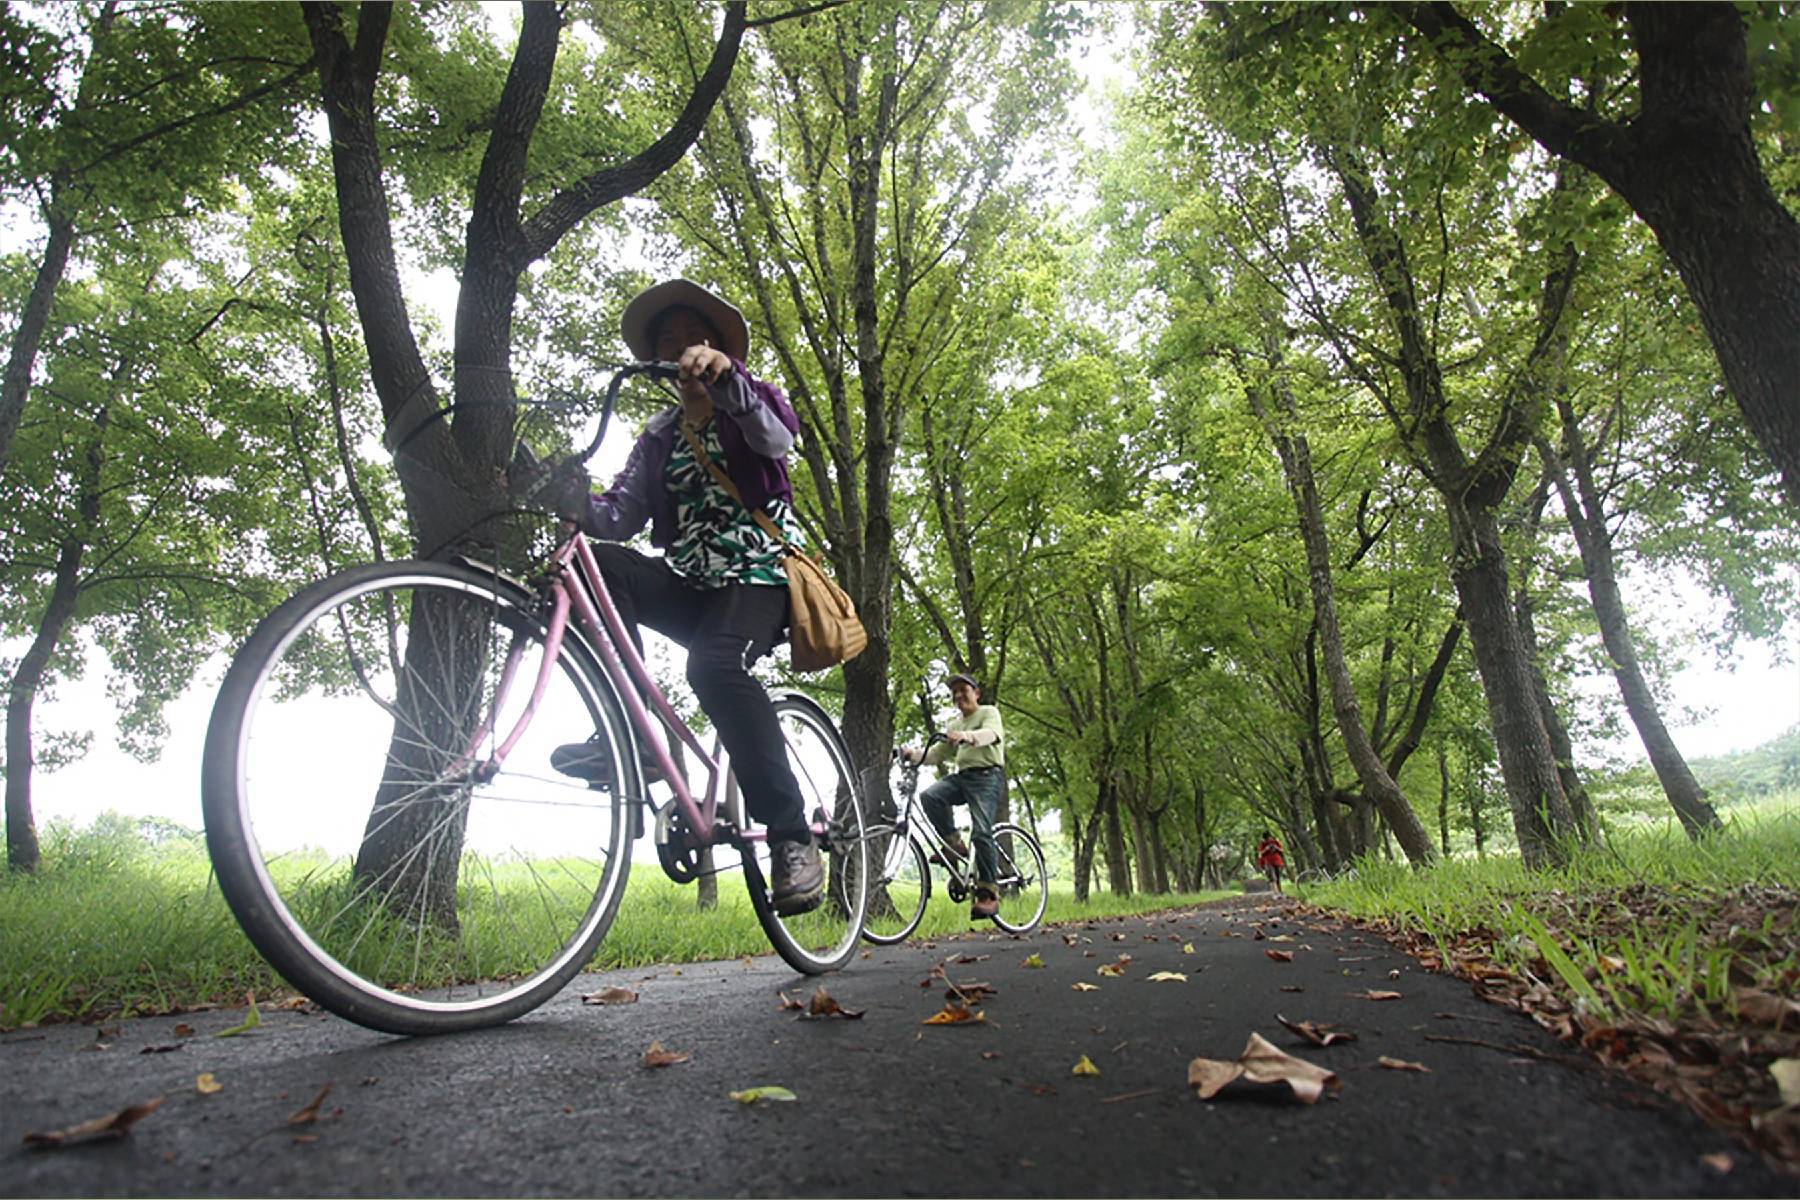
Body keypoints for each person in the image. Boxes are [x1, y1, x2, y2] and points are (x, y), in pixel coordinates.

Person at [546, 279, 822, 916]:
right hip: (694, 582)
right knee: (597, 567)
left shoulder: (751, 399)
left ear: (716, 345)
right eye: (667, 345)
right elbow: (618, 517)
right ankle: (634, 739)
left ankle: (789, 838)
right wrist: (562, 495)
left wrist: (729, 380)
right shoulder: (659, 435)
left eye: (691, 338)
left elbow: (777, 441)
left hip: (759, 575)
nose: (679, 351)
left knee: (713, 666)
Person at [900, 673, 1005, 920]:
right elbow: (935, 755)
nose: (958, 696)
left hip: (987, 777)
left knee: (981, 831)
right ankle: (954, 844)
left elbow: (991, 734)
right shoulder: (954, 725)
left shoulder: (988, 713)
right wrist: (909, 754)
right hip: (963, 778)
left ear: (976, 693)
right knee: (931, 797)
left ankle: (989, 892)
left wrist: (968, 737)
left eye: (963, 690)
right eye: (954, 692)